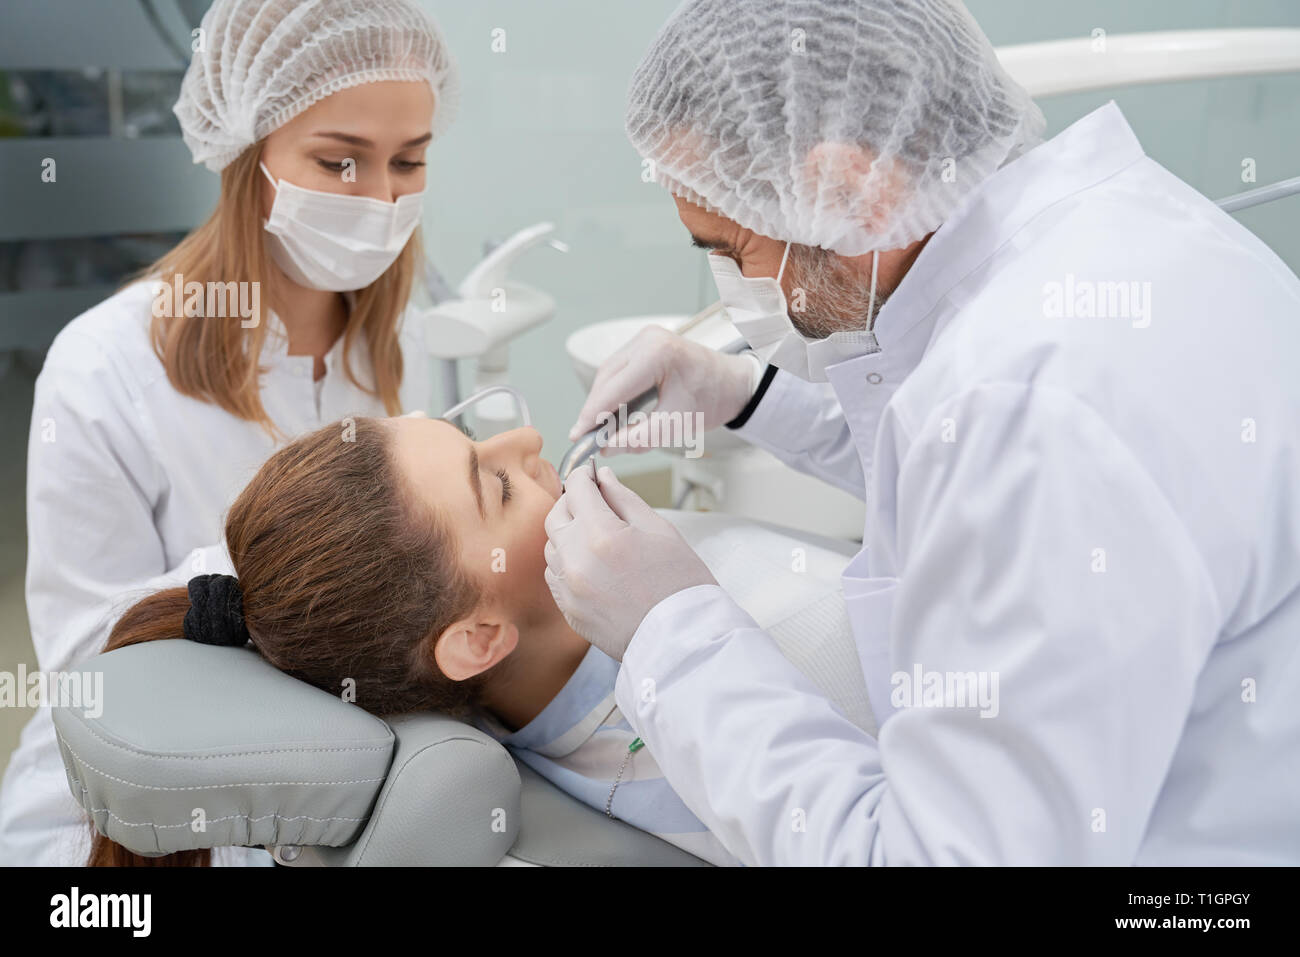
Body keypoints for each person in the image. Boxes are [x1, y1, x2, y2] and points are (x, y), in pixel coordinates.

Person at [545, 0, 1300, 865]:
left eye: (725, 247)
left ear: (850, 189)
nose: (728, 287)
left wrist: (669, 634)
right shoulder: (1108, 241)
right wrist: (748, 395)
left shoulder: (1028, 406)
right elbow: (954, 475)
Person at [0, 0, 457, 866]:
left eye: (410, 161)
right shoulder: (103, 365)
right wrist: (291, 564)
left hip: (350, 769)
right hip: (143, 800)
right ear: (248, 154)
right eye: (340, 160)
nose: (382, 197)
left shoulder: (405, 339)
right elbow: (84, 661)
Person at [87, 410, 800, 866]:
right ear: (479, 638)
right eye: (499, 487)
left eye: (470, 430)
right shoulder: (667, 760)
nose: (530, 439)